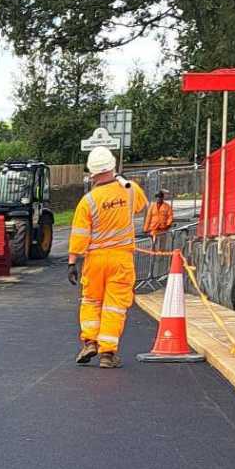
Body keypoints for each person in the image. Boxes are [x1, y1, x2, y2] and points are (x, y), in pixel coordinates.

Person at [67, 147, 148, 368]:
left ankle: (90, 341)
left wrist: (72, 262)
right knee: (115, 306)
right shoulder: (130, 190)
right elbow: (141, 205)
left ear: (92, 173)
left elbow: (79, 235)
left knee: (91, 301)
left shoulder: (88, 201)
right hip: (121, 259)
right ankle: (107, 354)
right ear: (113, 166)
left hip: (95, 259)